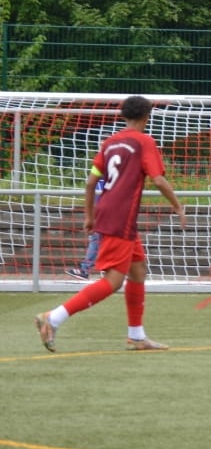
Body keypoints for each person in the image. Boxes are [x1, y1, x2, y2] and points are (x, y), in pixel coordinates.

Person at [34, 95, 186, 352]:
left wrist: (89, 215)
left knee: (138, 271)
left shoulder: (109, 143)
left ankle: (136, 336)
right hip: (121, 217)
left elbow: (92, 181)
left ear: (124, 116)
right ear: (147, 116)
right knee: (113, 281)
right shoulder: (144, 141)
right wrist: (178, 206)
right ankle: (54, 317)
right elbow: (158, 180)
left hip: (108, 211)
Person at [65, 176, 105, 280]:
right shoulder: (101, 174)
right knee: (97, 239)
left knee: (97, 239)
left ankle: (85, 269)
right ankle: (85, 269)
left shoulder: (110, 173)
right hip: (102, 212)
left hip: (107, 212)